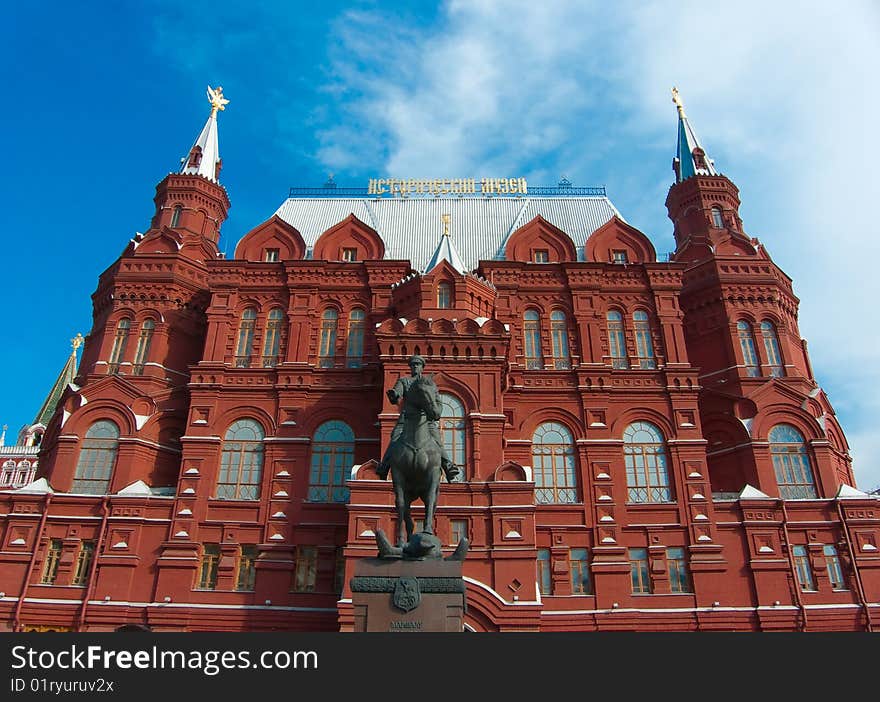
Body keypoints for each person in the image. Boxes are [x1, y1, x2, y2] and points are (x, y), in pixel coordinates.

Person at [377, 355, 461, 483]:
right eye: (413, 364)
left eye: (418, 364)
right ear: (410, 367)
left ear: (422, 367)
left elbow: (437, 403)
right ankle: (385, 466)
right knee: (395, 438)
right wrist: (394, 395)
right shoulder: (404, 381)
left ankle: (448, 467)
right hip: (407, 419)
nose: (415, 366)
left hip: (427, 420)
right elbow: (397, 393)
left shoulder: (430, 384)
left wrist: (436, 412)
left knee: (437, 440)